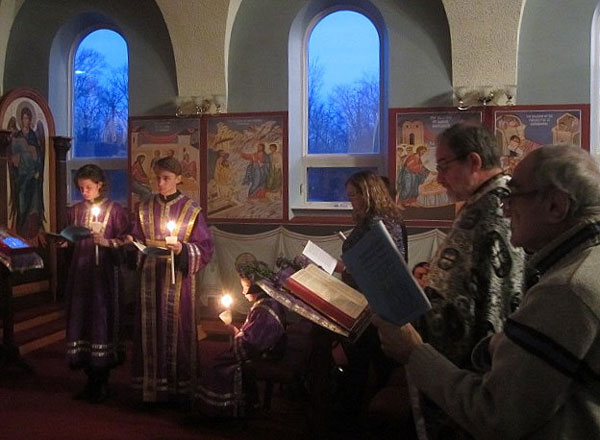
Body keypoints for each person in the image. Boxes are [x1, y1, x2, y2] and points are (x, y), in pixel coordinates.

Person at [375, 144, 600, 440]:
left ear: (556, 206)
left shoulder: (566, 290)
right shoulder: (585, 261)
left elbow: (495, 416)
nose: (505, 210)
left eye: (513, 196)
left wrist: (413, 352)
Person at [127, 156, 215, 406]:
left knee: (178, 328)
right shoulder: (144, 208)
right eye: (157, 178)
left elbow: (206, 247)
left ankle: (179, 391)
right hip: (150, 279)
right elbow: (136, 237)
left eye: (166, 178)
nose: (161, 183)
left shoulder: (191, 210)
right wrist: (133, 245)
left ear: (179, 178)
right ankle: (150, 389)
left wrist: (182, 250)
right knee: (149, 328)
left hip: (178, 283)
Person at [335, 170, 408, 422]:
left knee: (369, 362)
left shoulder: (380, 222)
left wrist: (346, 268)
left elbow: (389, 265)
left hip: (377, 305)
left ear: (367, 194)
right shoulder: (372, 219)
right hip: (367, 301)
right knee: (364, 360)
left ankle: (361, 418)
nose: (351, 201)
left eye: (353, 195)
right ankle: (360, 411)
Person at [65, 164, 129, 403]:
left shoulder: (116, 210)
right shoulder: (76, 211)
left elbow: (126, 242)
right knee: (82, 322)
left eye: (88, 187)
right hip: (81, 277)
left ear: (100, 185)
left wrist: (108, 243)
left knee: (101, 323)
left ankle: (102, 381)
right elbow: (71, 236)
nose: (84, 192)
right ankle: (89, 379)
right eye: (81, 188)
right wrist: (65, 243)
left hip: (104, 279)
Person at [197, 263, 287, 418]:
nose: (243, 292)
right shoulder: (266, 303)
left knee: (217, 365)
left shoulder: (264, 310)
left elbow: (250, 345)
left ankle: (221, 410)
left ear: (256, 287)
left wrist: (234, 331)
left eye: (245, 287)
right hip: (262, 350)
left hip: (264, 356)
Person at [9, 106, 45, 243]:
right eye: (24, 118)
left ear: (31, 119)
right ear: (21, 119)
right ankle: (19, 233)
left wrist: (37, 170)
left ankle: (31, 233)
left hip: (33, 175)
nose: (26, 121)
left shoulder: (34, 136)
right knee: (21, 203)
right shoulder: (16, 135)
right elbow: (13, 155)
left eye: (28, 118)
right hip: (21, 176)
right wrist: (23, 155)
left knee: (33, 204)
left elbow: (39, 156)